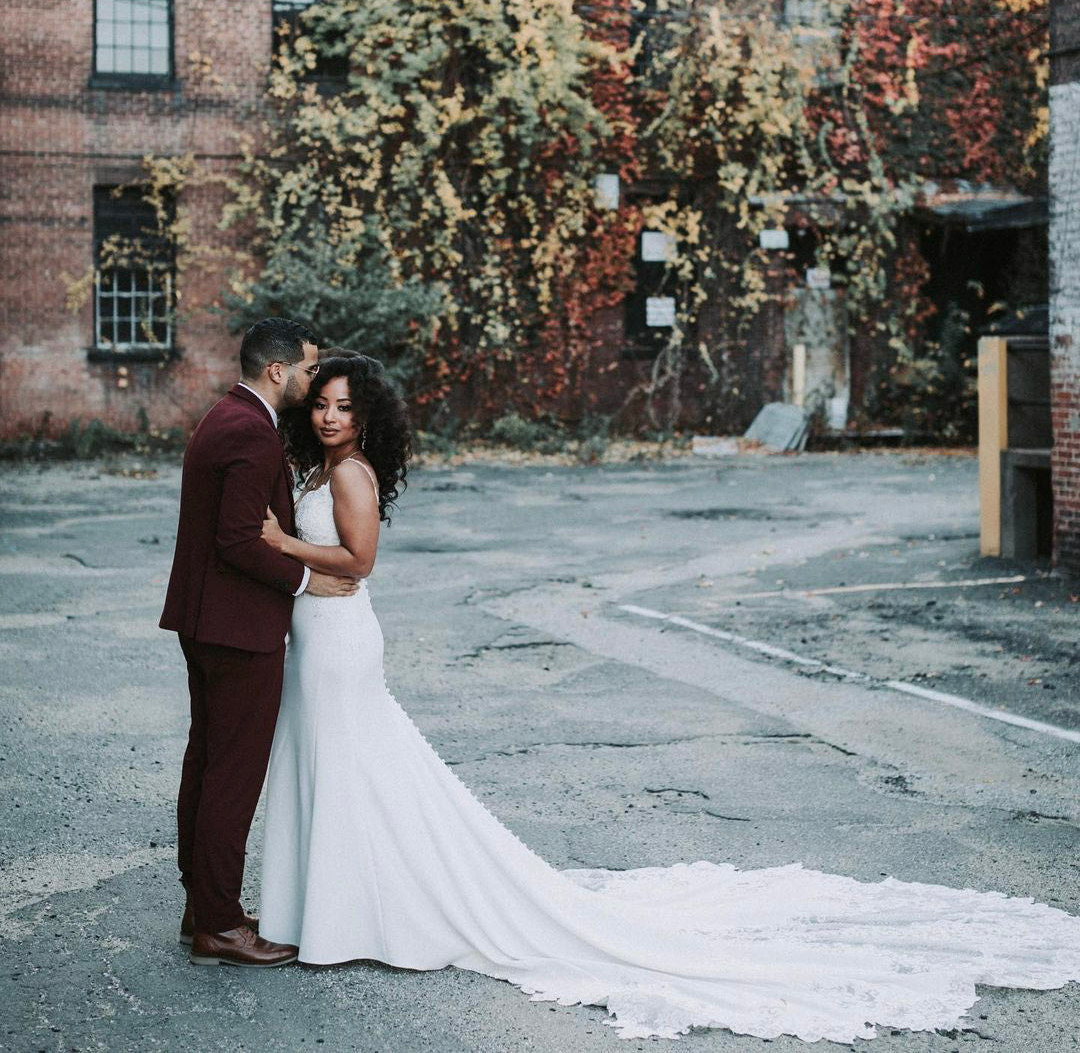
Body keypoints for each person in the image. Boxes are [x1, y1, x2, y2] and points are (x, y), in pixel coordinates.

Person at [257, 354, 1080, 1041]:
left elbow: (359, 565)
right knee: (344, 772)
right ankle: (337, 910)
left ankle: (349, 918)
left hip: (341, 647)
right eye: (322, 405)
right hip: (317, 640)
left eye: (344, 408)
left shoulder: (353, 476)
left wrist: (281, 543)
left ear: (367, 421)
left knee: (354, 769)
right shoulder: (321, 467)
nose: (331, 418)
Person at [160, 318, 359, 968]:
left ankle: (203, 905)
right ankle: (218, 923)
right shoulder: (251, 432)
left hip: (204, 621)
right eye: (307, 369)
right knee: (232, 777)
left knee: (208, 763)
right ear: (277, 371)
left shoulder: (225, 415)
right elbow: (242, 539)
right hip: (239, 629)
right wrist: (308, 580)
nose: (311, 379)